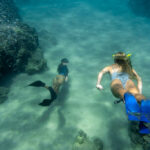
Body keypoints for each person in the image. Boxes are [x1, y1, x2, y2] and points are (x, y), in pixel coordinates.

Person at [96, 52, 150, 134]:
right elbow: (139, 79)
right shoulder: (128, 67)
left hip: (115, 80)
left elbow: (101, 72)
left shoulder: (111, 67)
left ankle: (126, 97)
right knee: (137, 95)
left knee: (121, 90)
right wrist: (139, 93)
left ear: (115, 59)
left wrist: (98, 83)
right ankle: (143, 116)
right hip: (128, 81)